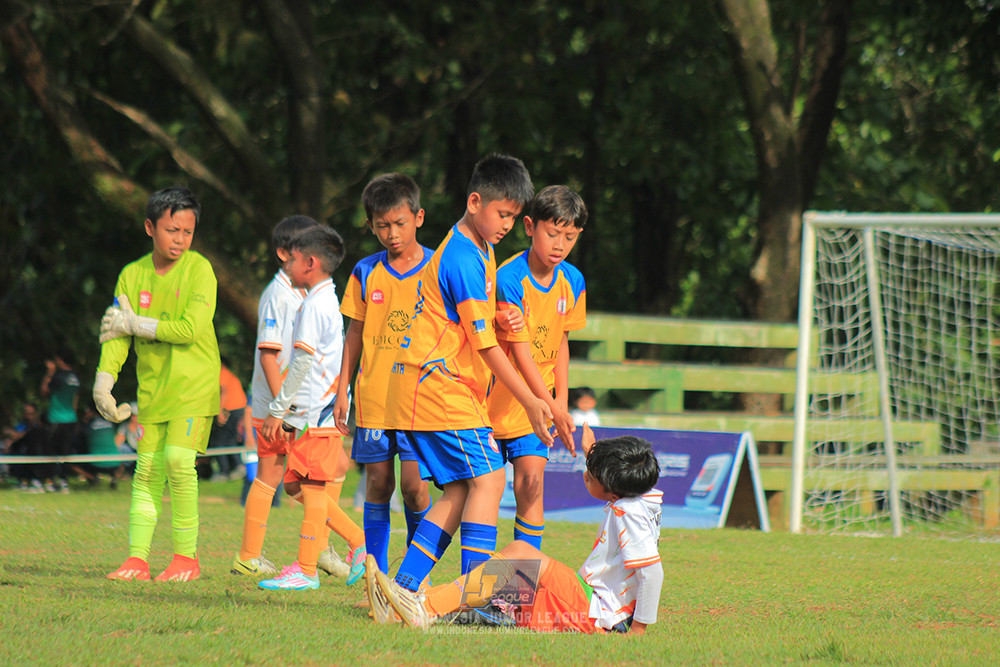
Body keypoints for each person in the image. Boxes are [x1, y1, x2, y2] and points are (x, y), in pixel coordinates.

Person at [380, 154, 554, 599]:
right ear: (475, 201)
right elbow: (485, 348)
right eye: (503, 214)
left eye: (514, 218)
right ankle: (474, 599)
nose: (507, 225)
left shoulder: (478, 247)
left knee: (460, 490)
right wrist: (533, 401)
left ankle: (401, 587)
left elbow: (468, 325)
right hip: (438, 385)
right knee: (491, 479)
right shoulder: (462, 255)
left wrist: (500, 321)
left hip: (425, 385)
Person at [370, 424, 664, 635]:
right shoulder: (639, 495)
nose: (586, 475)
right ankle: (414, 605)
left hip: (594, 610)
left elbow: (652, 572)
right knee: (504, 589)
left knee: (522, 554)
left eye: (592, 474)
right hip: (590, 602)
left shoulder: (630, 513)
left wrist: (637, 630)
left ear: (613, 489)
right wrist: (594, 452)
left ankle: (425, 608)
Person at [95, 186, 221, 582]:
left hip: (194, 387)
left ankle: (187, 560)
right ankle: (137, 559)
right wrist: (103, 383)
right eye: (172, 230)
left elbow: (189, 329)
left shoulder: (199, 269)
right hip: (153, 392)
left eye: (187, 231)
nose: (180, 239)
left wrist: (136, 323)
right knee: (147, 470)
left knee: (180, 463)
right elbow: (116, 334)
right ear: (150, 227)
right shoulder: (132, 275)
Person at [331, 173, 434, 575]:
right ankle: (375, 577)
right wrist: (343, 390)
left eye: (399, 223)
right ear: (371, 225)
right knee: (377, 484)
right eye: (382, 226)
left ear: (418, 217)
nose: (391, 233)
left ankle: (413, 580)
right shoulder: (364, 271)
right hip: (373, 397)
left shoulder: (438, 268)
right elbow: (353, 333)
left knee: (413, 486)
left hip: (418, 399)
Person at [256, 224, 367, 591]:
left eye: (295, 259)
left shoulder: (314, 305)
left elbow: (302, 362)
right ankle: (358, 542)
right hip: (313, 413)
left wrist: (278, 409)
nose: (288, 264)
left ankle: (305, 569)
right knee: (294, 486)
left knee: (314, 490)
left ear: (312, 262)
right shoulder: (322, 301)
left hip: (315, 415)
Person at [488, 185, 587, 550]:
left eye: (570, 237)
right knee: (486, 492)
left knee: (531, 483)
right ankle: (472, 584)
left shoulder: (573, 281)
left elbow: (561, 341)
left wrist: (560, 401)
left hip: (541, 401)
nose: (560, 244)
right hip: (499, 399)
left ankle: (518, 590)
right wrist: (548, 403)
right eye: (552, 233)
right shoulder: (508, 277)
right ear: (529, 227)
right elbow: (520, 347)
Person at [233, 215, 312, 578]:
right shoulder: (277, 295)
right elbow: (269, 354)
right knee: (297, 476)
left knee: (284, 476)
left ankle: (250, 555)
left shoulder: (299, 292)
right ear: (283, 253)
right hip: (278, 407)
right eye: (305, 252)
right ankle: (352, 544)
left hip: (287, 404)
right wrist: (280, 408)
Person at [40, 349, 81, 493]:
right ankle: (64, 481)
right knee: (66, 451)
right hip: (71, 418)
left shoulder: (58, 376)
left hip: (56, 418)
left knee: (51, 450)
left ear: (61, 360)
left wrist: (49, 372)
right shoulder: (75, 377)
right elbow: (75, 399)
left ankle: (51, 480)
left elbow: (44, 390)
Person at [71, 401, 126, 489]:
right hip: (116, 462)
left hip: (97, 464)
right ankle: (114, 477)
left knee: (71, 462)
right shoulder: (110, 423)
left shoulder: (87, 426)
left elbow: (79, 442)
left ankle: (93, 478)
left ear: (91, 411)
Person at [208, 362, 248, 480]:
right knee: (230, 440)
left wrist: (219, 411)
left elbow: (224, 391)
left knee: (219, 441)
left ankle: (224, 472)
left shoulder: (222, 373)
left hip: (231, 409)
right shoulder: (228, 374)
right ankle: (237, 467)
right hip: (238, 408)